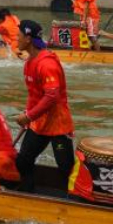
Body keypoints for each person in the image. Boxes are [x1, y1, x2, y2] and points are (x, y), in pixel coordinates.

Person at [13, 19, 75, 193]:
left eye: (18, 35)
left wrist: (29, 116)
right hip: (39, 122)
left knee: (66, 167)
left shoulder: (47, 64)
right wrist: (28, 115)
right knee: (23, 160)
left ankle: (74, 198)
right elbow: (34, 96)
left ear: (28, 38)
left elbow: (52, 96)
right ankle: (27, 192)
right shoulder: (29, 63)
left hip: (58, 124)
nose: (16, 39)